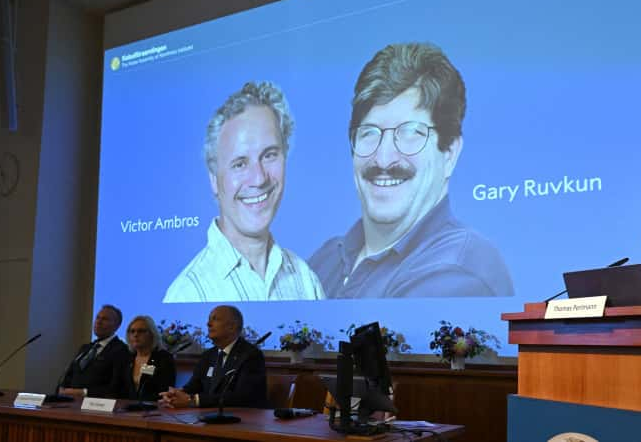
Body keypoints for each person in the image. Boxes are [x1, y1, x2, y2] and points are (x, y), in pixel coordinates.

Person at [309, 42, 514, 298]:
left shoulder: (458, 269)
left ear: (449, 152)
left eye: (410, 133)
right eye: (369, 133)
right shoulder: (326, 259)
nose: (383, 159)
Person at [164, 81, 324, 302]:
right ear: (213, 179)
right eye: (239, 164)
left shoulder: (306, 281)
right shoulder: (188, 293)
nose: (259, 178)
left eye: (269, 155)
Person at [158, 305, 269, 408]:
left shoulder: (250, 355)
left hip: (241, 420)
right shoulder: (208, 355)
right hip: (208, 417)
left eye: (215, 319)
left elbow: (242, 396)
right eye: (209, 319)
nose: (208, 324)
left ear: (232, 326)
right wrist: (176, 394)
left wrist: (194, 400)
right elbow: (193, 386)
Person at [59, 305, 131, 398]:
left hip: (96, 405)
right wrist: (62, 389)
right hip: (70, 402)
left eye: (105, 319)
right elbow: (70, 374)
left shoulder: (121, 350)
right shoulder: (86, 348)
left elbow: (116, 387)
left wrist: (84, 392)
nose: (99, 322)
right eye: (97, 318)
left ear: (117, 325)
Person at [111, 315, 175, 402]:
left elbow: (164, 390)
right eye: (132, 331)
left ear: (152, 334)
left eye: (141, 331)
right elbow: (116, 388)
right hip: (125, 409)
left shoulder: (163, 358)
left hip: (153, 409)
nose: (136, 334)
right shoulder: (126, 358)